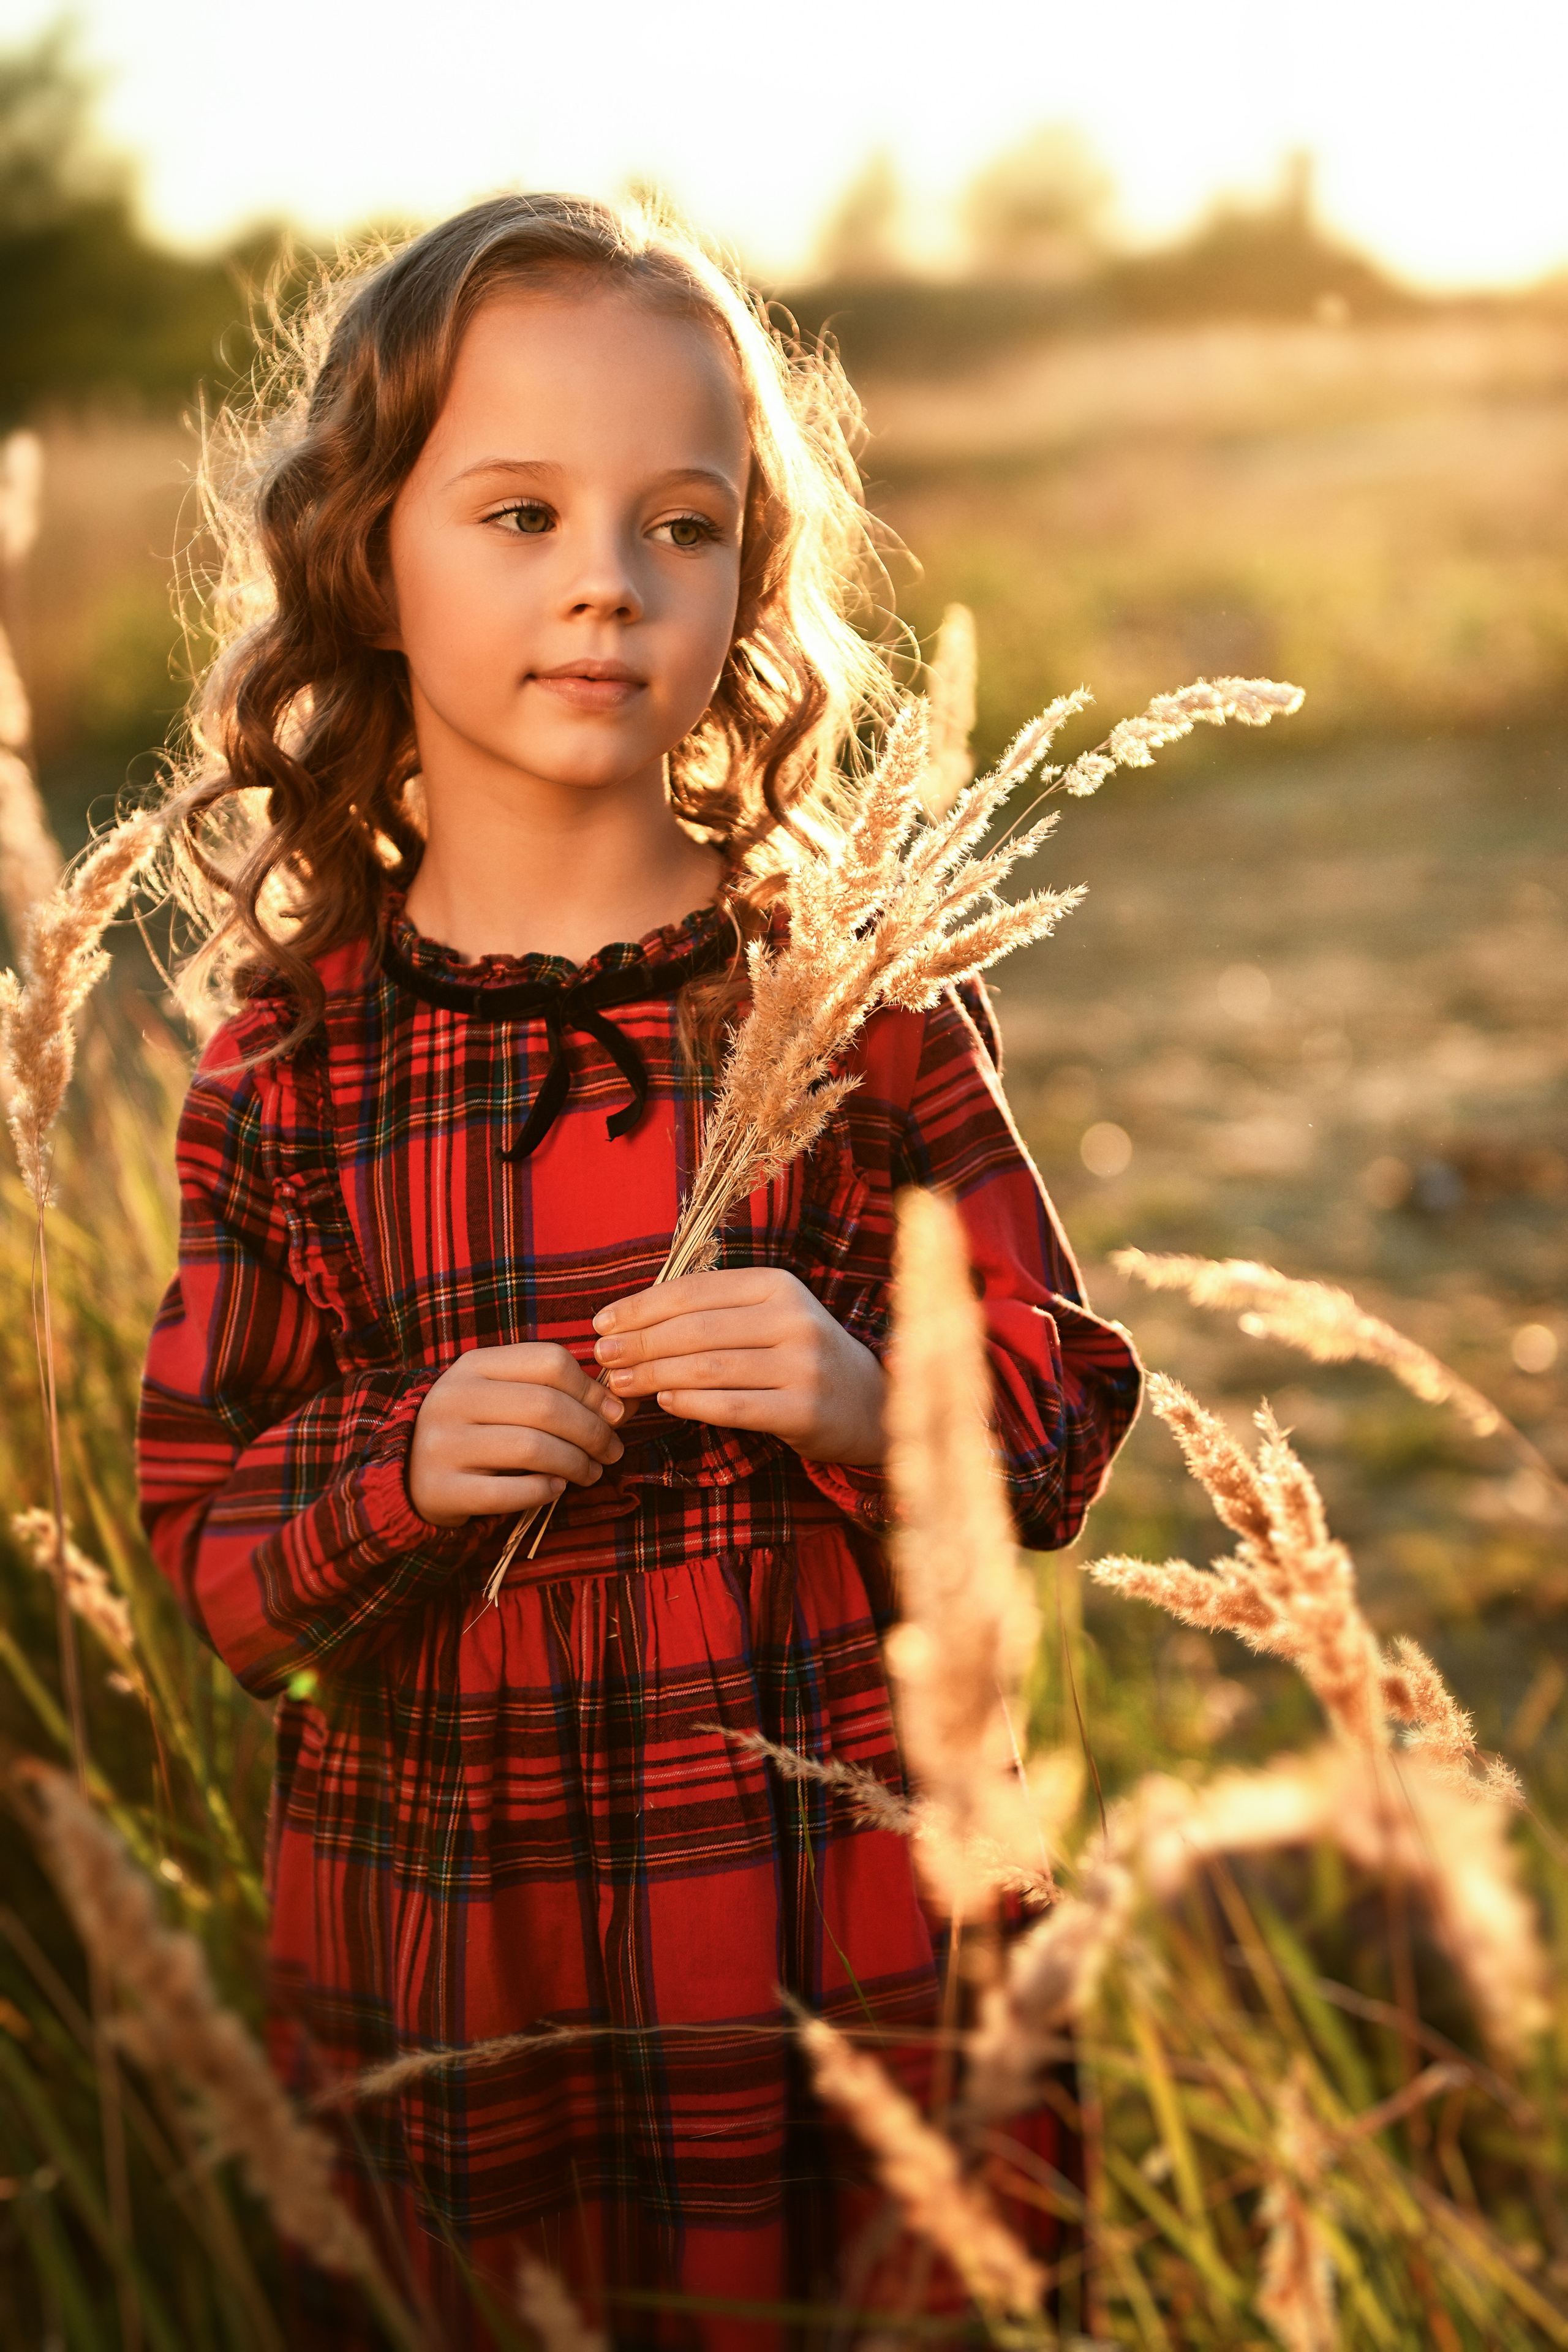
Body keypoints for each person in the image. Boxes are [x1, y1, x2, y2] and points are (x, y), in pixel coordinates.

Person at [137, 193, 1140, 2349]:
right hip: (455, 1933)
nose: (607, 574)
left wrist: (879, 1396)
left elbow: (1057, 1420)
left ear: (746, 582)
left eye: (679, 523)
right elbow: (212, 1560)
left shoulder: (856, 997)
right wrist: (403, 1469)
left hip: (838, 1886)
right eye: (518, 511)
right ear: (365, 559)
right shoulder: (295, 1069)